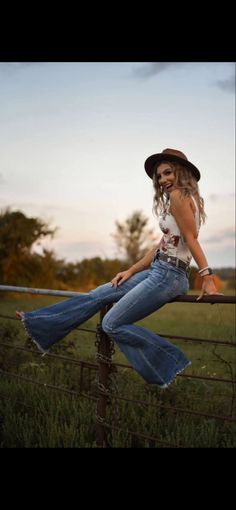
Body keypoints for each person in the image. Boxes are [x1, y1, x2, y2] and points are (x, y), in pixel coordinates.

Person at [16, 148, 222, 388]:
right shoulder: (177, 199)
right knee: (100, 294)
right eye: (160, 176)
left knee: (111, 323)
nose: (163, 179)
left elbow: (191, 239)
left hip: (170, 276)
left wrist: (207, 276)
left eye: (168, 173)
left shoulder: (179, 197)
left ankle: (170, 361)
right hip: (159, 270)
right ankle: (38, 324)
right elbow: (161, 246)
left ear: (182, 172)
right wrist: (132, 270)